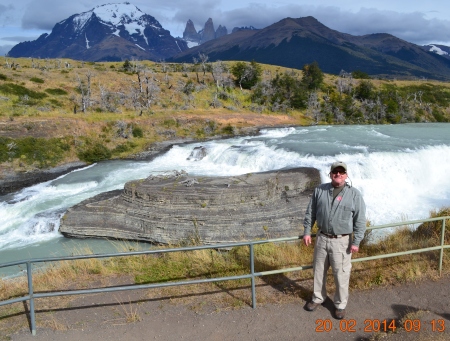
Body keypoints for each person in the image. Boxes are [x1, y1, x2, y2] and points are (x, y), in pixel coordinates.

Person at [302, 161, 366, 320]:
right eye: (335, 172)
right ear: (330, 174)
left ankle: (340, 305)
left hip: (342, 242)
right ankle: (317, 298)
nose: (338, 174)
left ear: (346, 175)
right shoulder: (320, 190)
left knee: (341, 274)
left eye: (341, 172)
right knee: (318, 271)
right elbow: (311, 213)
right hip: (322, 238)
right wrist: (307, 232)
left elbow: (360, 220)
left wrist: (356, 241)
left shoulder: (354, 194)